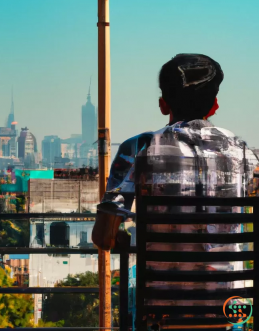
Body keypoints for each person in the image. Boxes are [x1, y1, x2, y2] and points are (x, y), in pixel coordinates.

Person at [92, 53, 259, 303]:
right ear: (215, 104)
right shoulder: (245, 154)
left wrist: (126, 236)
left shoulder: (139, 148)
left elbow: (103, 238)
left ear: (163, 104)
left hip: (159, 305)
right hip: (228, 306)